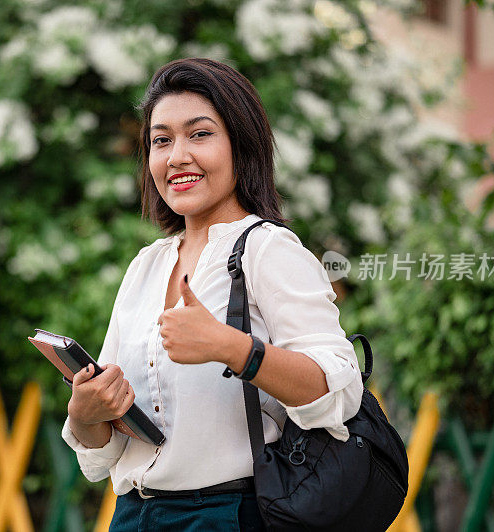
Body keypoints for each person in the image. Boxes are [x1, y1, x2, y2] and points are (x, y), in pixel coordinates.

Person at [61, 58, 364, 531]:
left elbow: (338, 390)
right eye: (161, 140)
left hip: (227, 515)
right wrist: (86, 411)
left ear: (240, 147)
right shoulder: (147, 265)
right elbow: (106, 451)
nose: (176, 156)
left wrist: (231, 347)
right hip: (133, 516)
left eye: (199, 134)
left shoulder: (267, 249)